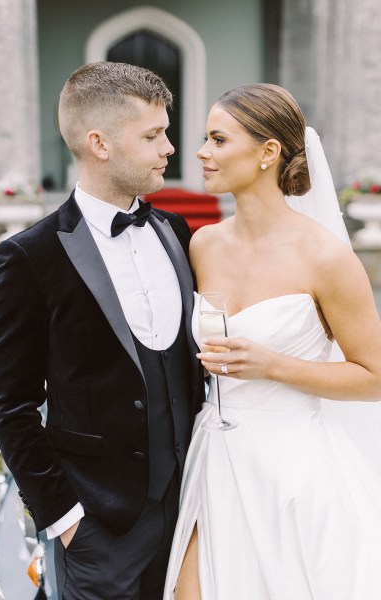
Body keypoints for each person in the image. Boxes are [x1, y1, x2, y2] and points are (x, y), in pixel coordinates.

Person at [0, 62, 204, 600]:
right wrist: (64, 519)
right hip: (97, 528)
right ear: (99, 143)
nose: (169, 148)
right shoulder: (29, 255)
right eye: (153, 135)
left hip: (192, 512)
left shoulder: (176, 232)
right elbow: (9, 404)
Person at [163, 83, 381, 599]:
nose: (201, 152)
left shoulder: (324, 256)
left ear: (268, 152)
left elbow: (374, 376)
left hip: (295, 473)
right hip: (214, 458)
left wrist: (274, 366)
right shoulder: (203, 244)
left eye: (218, 139)